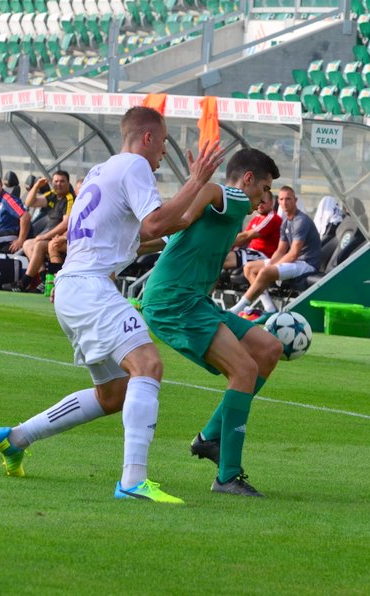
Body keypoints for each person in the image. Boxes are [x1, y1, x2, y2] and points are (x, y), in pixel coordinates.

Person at [0, 106, 224, 504]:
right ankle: (133, 481)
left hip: (74, 288)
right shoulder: (135, 167)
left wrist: (189, 214)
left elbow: (141, 234)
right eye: (164, 141)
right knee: (147, 365)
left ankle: (16, 438)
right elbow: (152, 224)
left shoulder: (102, 171)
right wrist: (197, 182)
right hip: (90, 288)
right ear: (147, 138)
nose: (165, 151)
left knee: (114, 394)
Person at [140, 147, 282, 497]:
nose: (267, 197)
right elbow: (210, 192)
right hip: (175, 301)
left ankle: (209, 438)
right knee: (244, 370)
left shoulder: (232, 214)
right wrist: (195, 183)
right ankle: (227, 477)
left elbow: (181, 235)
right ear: (248, 180)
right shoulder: (231, 196)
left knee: (268, 349)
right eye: (265, 188)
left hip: (194, 301)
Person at [229, 185, 322, 318]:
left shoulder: (301, 221)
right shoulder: (285, 222)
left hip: (306, 264)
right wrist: (270, 263)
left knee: (265, 272)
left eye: (288, 199)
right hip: (294, 261)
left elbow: (294, 253)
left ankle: (236, 309)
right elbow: (280, 250)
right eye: (282, 199)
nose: (285, 202)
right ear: (278, 202)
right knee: (249, 268)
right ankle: (270, 308)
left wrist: (272, 267)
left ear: (295, 200)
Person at [221, 187, 281, 270]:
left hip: (264, 255)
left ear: (271, 203)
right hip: (252, 251)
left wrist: (221, 242)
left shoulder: (272, 218)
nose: (260, 204)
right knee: (218, 256)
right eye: (259, 201)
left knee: (223, 259)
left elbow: (245, 236)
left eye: (264, 202)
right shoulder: (257, 217)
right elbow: (243, 239)